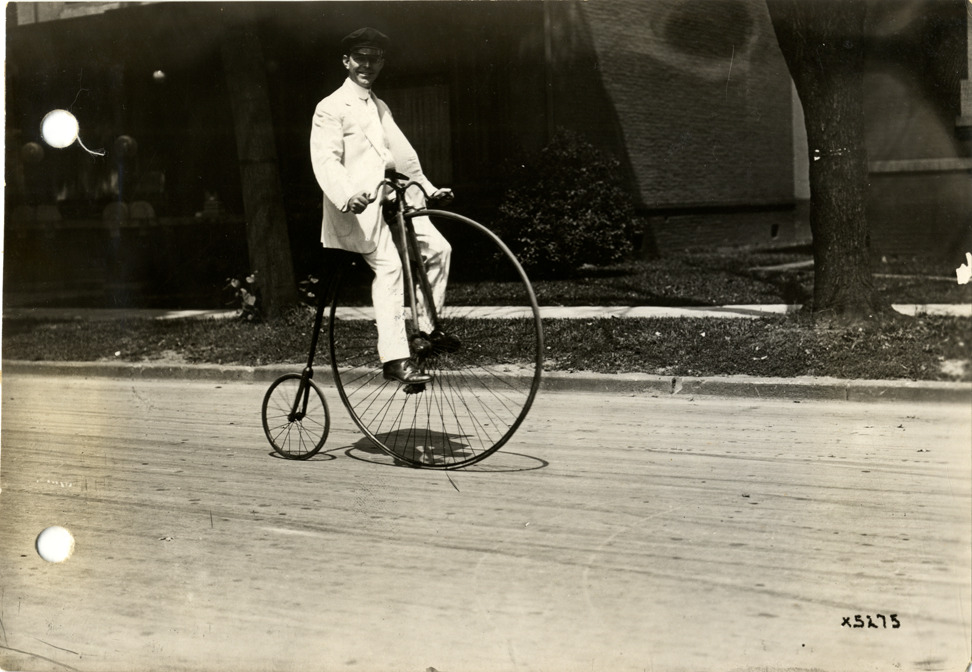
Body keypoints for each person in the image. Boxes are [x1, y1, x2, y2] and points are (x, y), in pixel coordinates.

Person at [310, 27, 458, 385]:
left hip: (394, 201)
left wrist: (428, 189)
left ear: (382, 62)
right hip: (360, 210)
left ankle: (426, 331)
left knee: (439, 249)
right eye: (360, 58)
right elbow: (326, 160)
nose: (367, 65)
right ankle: (394, 359)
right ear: (346, 61)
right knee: (390, 268)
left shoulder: (379, 106)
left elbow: (403, 155)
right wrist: (348, 195)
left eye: (374, 58)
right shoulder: (330, 108)